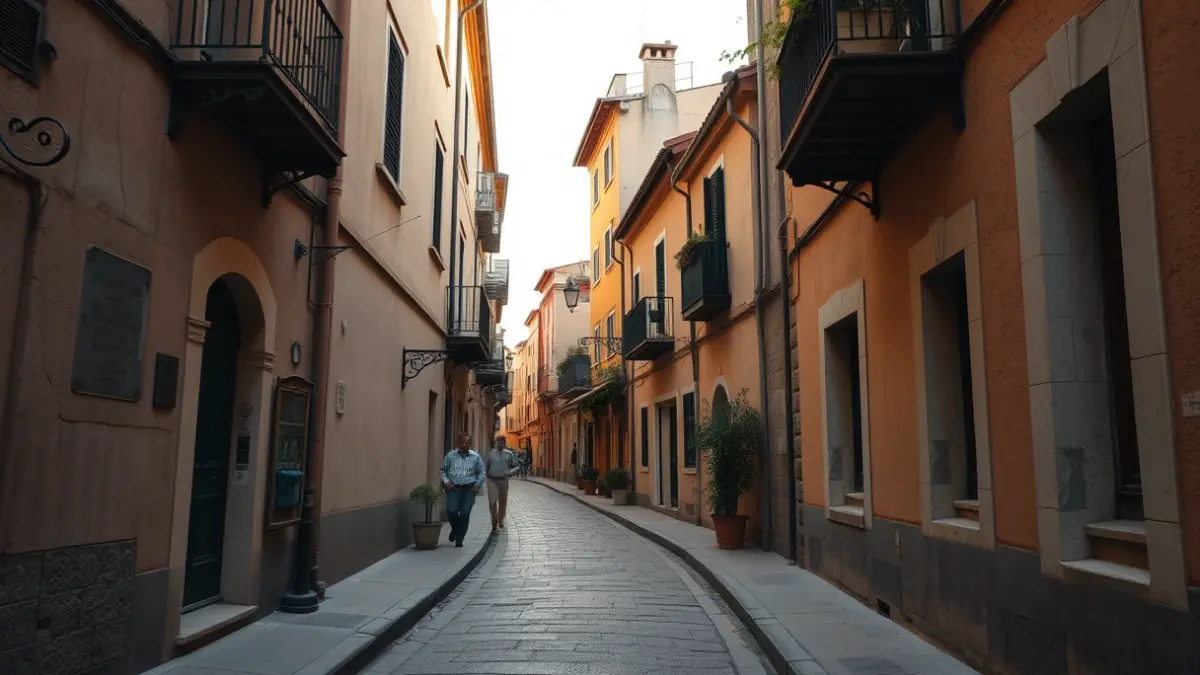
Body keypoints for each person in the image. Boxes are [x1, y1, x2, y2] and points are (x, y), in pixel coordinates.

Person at [440, 433, 485, 547]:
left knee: (465, 514)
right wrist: (446, 482)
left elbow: (482, 473)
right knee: (451, 511)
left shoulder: (476, 457)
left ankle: (459, 539)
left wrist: (477, 485)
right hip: (454, 488)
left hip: (469, 489)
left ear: (470, 444)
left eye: (467, 443)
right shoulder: (450, 456)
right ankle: (455, 530)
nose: (464, 445)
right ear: (458, 443)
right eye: (462, 442)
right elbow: (443, 470)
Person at [484, 435, 518, 531]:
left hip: (503, 480)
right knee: (492, 500)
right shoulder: (490, 454)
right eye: (499, 442)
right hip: (492, 480)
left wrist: (511, 472)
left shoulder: (509, 454)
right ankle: (494, 521)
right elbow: (486, 467)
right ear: (496, 442)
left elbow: (516, 466)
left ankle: (501, 519)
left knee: (503, 501)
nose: (501, 443)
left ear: (504, 443)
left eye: (502, 442)